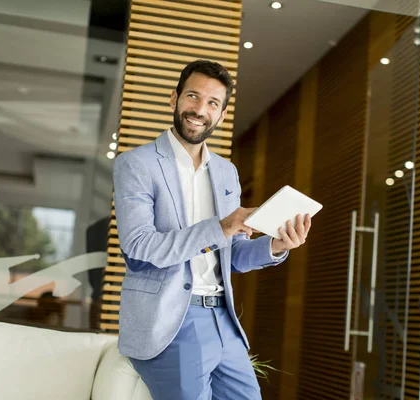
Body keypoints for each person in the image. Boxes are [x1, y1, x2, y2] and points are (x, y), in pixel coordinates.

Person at [113, 59, 312, 400]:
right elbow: (139, 247)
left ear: (220, 115)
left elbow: (229, 256)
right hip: (170, 321)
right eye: (192, 96)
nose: (199, 110)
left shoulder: (225, 172)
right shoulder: (137, 164)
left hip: (224, 319)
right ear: (174, 99)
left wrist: (276, 246)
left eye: (212, 103)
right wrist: (220, 227)